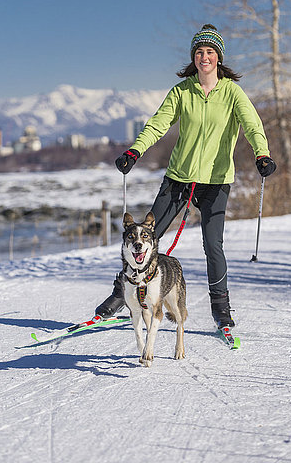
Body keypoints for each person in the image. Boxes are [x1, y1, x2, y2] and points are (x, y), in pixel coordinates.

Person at [95, 24, 276, 328]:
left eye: (210, 51)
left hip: (216, 182)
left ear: (218, 57)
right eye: (199, 52)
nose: (204, 56)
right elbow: (157, 124)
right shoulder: (182, 91)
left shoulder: (232, 92)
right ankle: (120, 295)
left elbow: (252, 126)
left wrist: (262, 154)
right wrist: (134, 151)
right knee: (146, 235)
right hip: (179, 179)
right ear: (193, 58)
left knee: (213, 244)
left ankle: (221, 306)